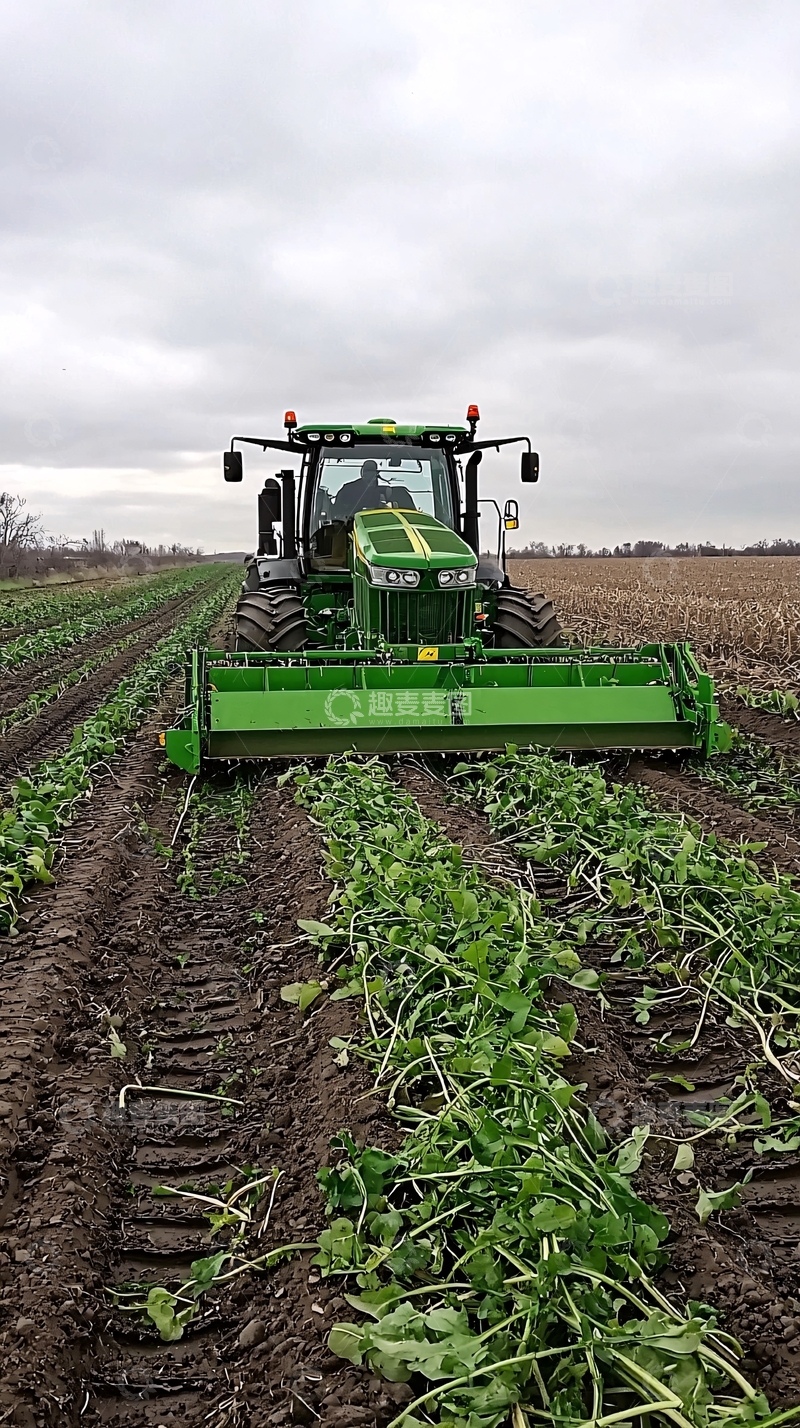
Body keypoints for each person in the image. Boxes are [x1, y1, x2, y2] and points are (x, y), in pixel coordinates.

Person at [331, 460, 416, 520]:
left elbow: (413, 518)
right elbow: (337, 516)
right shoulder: (348, 490)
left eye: (372, 474)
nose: (370, 477)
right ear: (362, 473)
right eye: (367, 473)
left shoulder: (397, 493)